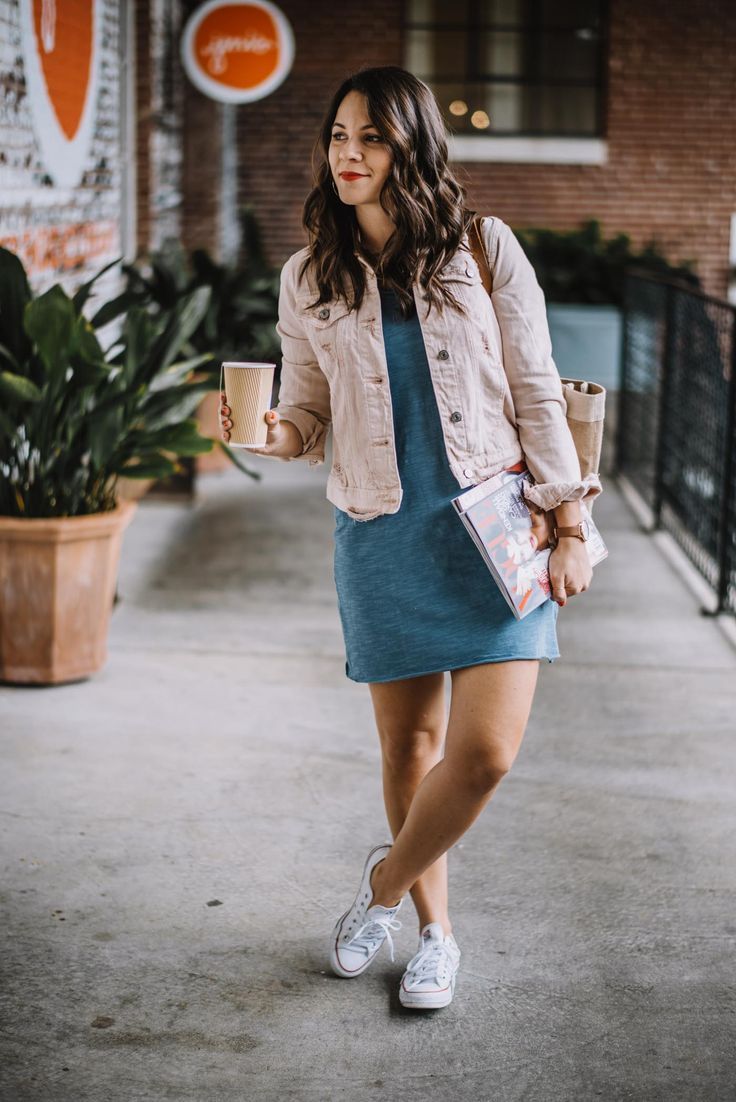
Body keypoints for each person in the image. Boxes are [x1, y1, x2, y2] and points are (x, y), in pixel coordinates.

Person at [220, 66, 602, 1010]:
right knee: (410, 748)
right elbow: (305, 415)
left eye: (371, 138)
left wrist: (571, 523)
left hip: (495, 531)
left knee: (483, 756)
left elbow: (537, 387)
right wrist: (260, 432)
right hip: (381, 533)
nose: (347, 155)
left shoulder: (484, 247)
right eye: (338, 136)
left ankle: (380, 890)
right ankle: (435, 936)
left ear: (413, 147)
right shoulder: (309, 274)